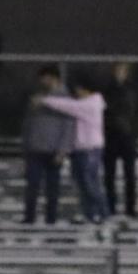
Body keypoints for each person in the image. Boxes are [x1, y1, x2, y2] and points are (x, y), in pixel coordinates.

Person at [39, 79, 108, 226]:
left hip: (90, 150)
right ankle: (90, 215)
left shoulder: (91, 104)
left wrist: (45, 100)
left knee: (90, 184)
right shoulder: (87, 104)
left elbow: (69, 106)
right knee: (83, 186)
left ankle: (104, 214)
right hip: (79, 150)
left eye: (79, 90)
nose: (77, 93)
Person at [21, 65, 75, 226]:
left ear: (53, 78)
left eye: (45, 78)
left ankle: (51, 219)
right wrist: (26, 147)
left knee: (52, 188)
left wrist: (62, 150)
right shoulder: (37, 98)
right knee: (32, 185)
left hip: (53, 150)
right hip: (35, 148)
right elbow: (28, 124)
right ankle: (29, 217)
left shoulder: (65, 99)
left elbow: (68, 126)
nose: (42, 82)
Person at [102, 62, 138, 219]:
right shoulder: (106, 90)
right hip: (110, 137)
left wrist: (134, 128)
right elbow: (104, 111)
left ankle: (130, 209)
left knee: (129, 175)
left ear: (126, 73)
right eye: (117, 70)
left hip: (128, 137)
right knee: (109, 175)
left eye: (122, 71)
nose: (119, 73)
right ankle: (110, 208)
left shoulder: (133, 90)